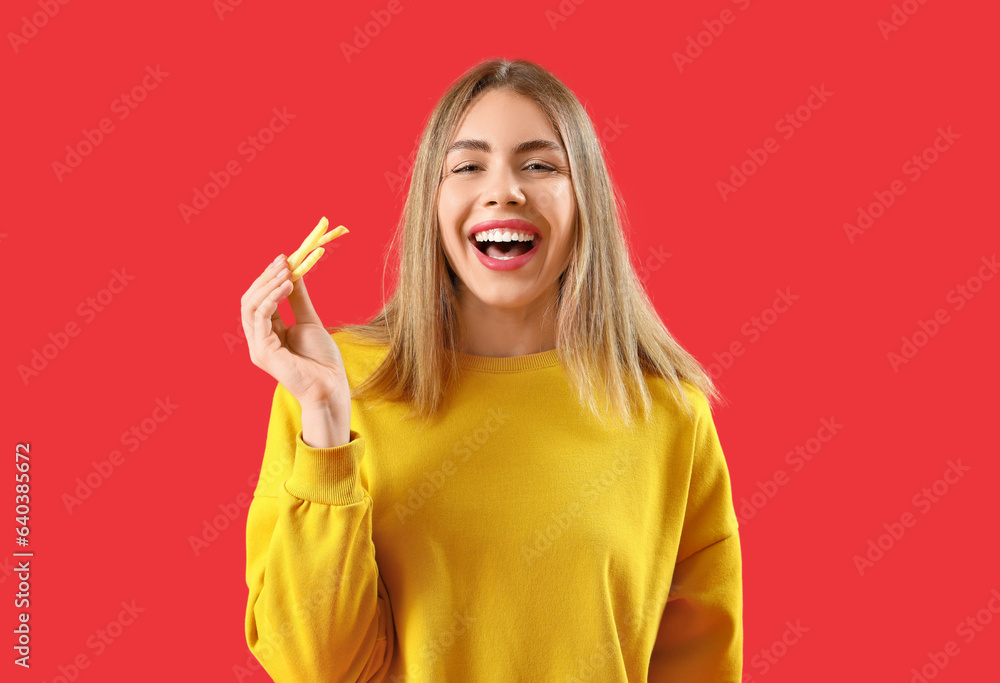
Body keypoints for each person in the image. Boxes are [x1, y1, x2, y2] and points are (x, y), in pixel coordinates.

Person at [240, 57, 742, 682]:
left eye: (539, 165)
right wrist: (323, 422)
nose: (504, 190)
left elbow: (701, 668)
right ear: (433, 199)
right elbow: (314, 665)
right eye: (468, 166)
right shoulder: (336, 389)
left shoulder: (668, 415)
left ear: (586, 198)